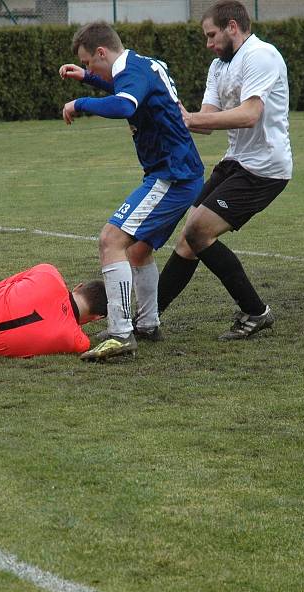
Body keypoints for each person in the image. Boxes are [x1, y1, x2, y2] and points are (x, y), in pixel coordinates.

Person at [59, 21, 204, 361]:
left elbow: (126, 104)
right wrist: (89, 79)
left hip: (172, 175)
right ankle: (148, 323)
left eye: (89, 63)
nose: (87, 67)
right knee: (137, 251)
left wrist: (80, 102)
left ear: (101, 52)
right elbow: (131, 90)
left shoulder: (130, 73)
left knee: (111, 241)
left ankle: (122, 333)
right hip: (177, 170)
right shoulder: (140, 63)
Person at [156, 0, 292, 340]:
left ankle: (256, 311)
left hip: (266, 168)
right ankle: (148, 317)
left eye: (212, 35)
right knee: (191, 237)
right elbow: (204, 121)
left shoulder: (261, 55)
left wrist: (189, 118)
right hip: (236, 161)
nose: (209, 44)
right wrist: (167, 112)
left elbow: (249, 115)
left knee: (199, 231)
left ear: (233, 26)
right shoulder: (219, 66)